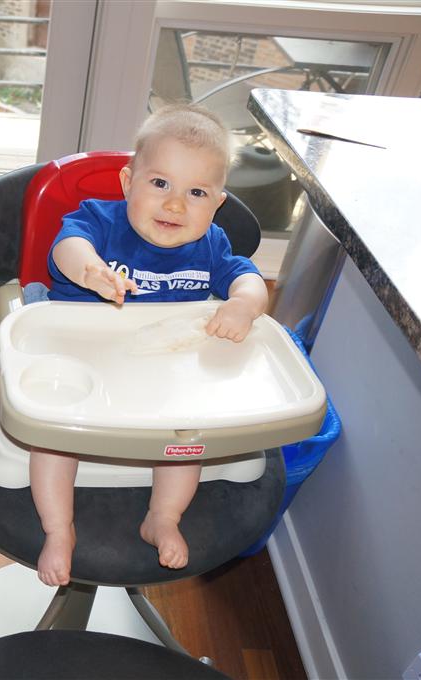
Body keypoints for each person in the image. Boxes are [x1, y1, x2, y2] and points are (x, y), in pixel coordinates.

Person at [33, 103, 269, 586]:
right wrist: (90, 270)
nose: (175, 205)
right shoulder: (99, 221)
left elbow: (249, 279)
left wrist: (243, 305)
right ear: (128, 182)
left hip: (162, 382)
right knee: (52, 438)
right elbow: (67, 246)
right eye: (160, 183)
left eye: (196, 192)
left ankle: (162, 517)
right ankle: (59, 529)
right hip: (84, 364)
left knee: (188, 442)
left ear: (217, 203)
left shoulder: (211, 246)